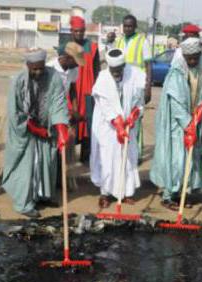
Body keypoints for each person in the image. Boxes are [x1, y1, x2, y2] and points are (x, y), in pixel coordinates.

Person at [150, 38, 202, 210]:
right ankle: (168, 195)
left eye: (196, 57)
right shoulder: (177, 70)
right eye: (190, 58)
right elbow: (176, 102)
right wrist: (188, 125)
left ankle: (184, 193)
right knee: (176, 158)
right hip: (177, 123)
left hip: (199, 119)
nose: (193, 61)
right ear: (184, 55)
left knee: (193, 158)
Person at [1, 49, 70, 218]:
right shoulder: (18, 81)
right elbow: (14, 112)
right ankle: (24, 204)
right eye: (34, 69)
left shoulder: (53, 77)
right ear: (28, 66)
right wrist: (32, 127)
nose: (38, 72)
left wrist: (61, 127)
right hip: (24, 131)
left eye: (41, 68)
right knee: (27, 167)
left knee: (46, 163)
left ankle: (42, 196)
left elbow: (58, 103)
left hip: (46, 127)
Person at [90, 49, 145, 208]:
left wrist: (135, 114)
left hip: (128, 124)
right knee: (107, 158)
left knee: (127, 158)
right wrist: (117, 122)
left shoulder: (134, 74)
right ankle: (105, 194)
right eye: (114, 70)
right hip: (107, 126)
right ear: (108, 67)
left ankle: (126, 193)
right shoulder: (103, 78)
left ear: (124, 65)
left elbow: (139, 100)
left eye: (119, 69)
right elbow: (104, 105)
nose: (117, 73)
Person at [115, 15, 152, 158]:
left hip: (138, 85)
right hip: (122, 85)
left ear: (135, 26)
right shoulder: (119, 41)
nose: (127, 28)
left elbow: (149, 65)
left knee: (135, 118)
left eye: (130, 26)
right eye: (125, 26)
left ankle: (136, 153)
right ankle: (123, 150)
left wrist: (148, 87)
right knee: (122, 117)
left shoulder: (142, 41)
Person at [47, 42, 81, 190]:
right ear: (67, 58)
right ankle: (49, 181)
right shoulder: (49, 68)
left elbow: (72, 89)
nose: (79, 64)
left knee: (64, 146)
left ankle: (61, 180)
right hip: (48, 112)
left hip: (62, 111)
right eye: (76, 60)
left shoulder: (73, 69)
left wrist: (74, 110)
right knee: (50, 148)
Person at [68, 16, 100, 163]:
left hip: (88, 91)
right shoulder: (66, 47)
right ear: (71, 31)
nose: (79, 34)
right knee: (71, 121)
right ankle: (69, 156)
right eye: (76, 31)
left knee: (88, 121)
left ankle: (86, 157)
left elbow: (97, 70)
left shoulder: (92, 47)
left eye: (81, 31)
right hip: (71, 91)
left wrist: (97, 90)